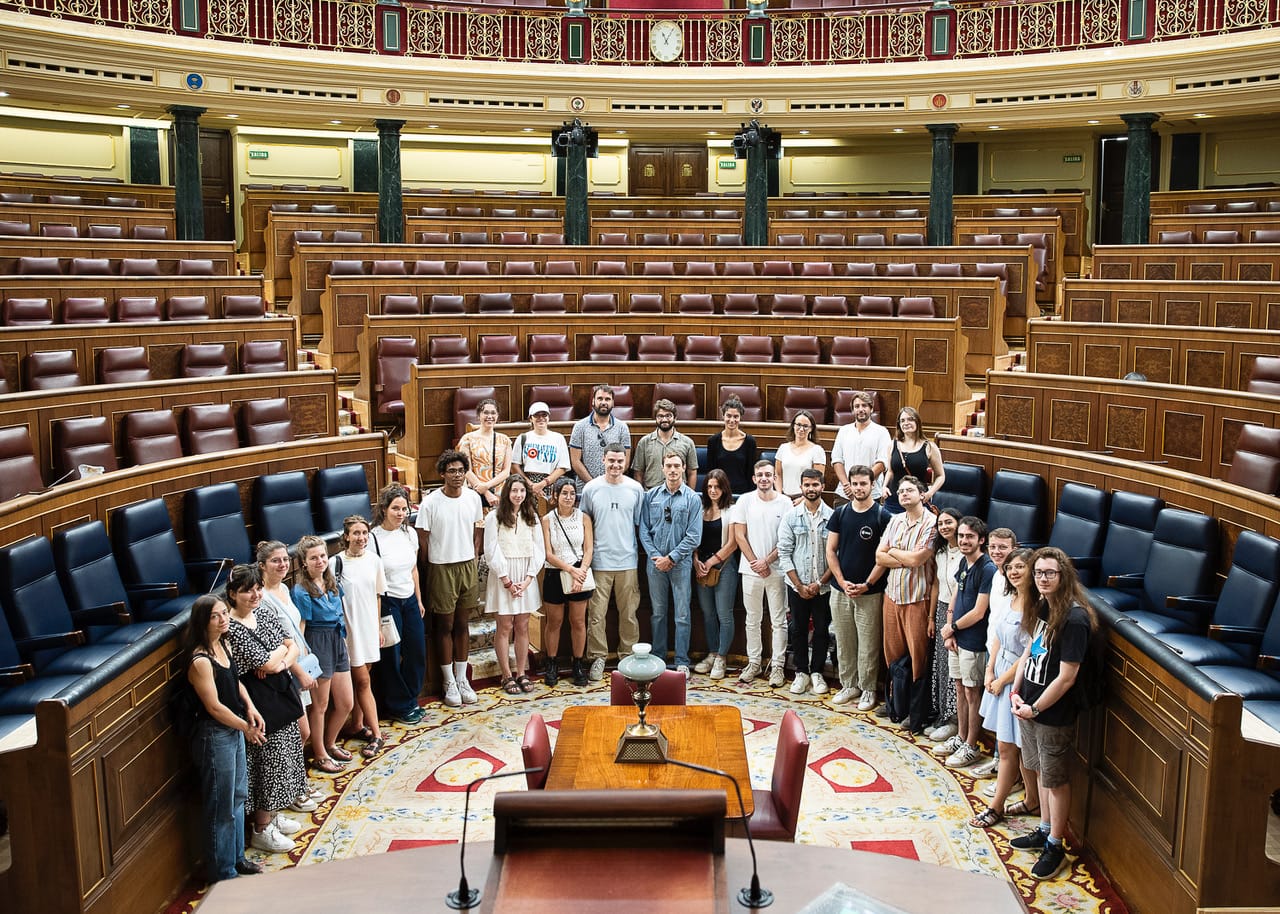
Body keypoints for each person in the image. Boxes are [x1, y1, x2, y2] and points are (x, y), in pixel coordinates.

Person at [1010, 547, 1098, 881]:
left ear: (1063, 576)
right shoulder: (1042, 605)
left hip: (1052, 713)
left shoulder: (1074, 619)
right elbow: (1030, 651)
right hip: (1028, 704)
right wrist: (1016, 690)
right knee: (1039, 772)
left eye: (1049, 573)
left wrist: (1035, 707)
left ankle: (1056, 845)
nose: (1042, 579)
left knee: (1055, 780)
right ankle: (1044, 829)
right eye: (1038, 573)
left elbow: (1067, 677)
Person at [223, 564, 308, 855]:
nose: (256, 595)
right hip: (259, 702)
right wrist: (278, 659)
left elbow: (291, 644)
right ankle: (261, 827)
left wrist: (279, 661)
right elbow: (268, 662)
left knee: (286, 755)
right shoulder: (232, 627)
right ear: (232, 594)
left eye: (258, 588)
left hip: (279, 692)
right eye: (248, 591)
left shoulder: (263, 612)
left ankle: (273, 814)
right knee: (267, 763)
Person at [183, 593, 267, 882]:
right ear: (202, 622)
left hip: (234, 728)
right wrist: (246, 727)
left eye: (224, 613)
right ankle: (223, 872)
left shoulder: (224, 644)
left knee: (238, 797)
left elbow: (235, 681)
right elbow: (214, 707)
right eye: (215, 616)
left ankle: (238, 858)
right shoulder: (200, 661)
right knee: (221, 806)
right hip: (214, 735)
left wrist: (250, 708)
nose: (223, 619)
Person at [971, 548, 1040, 829]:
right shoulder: (1010, 597)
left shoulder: (1037, 607)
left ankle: (996, 806)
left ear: (1032, 569)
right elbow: (998, 635)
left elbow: (1029, 653)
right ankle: (1032, 800)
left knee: (1008, 747)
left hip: (1018, 680)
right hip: (999, 670)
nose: (1013, 571)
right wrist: (990, 670)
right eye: (1010, 567)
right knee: (1014, 745)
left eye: (1020, 566)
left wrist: (1003, 681)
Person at [255, 539, 322, 814]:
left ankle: (297, 784)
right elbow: (278, 643)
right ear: (262, 565)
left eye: (285, 559)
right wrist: (299, 672)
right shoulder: (262, 598)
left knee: (300, 733)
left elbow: (295, 630)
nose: (283, 564)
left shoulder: (283, 588)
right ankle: (293, 789)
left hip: (296, 662)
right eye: (275, 561)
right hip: (285, 672)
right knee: (300, 732)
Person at [416, 449, 485, 708]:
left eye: (461, 471)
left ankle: (462, 678)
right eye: (452, 471)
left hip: (467, 565)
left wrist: (475, 555)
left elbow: (478, 529)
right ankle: (448, 681)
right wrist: (430, 565)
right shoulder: (431, 502)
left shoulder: (473, 498)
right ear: (442, 474)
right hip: (441, 567)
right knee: (444, 625)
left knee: (463, 623)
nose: (457, 475)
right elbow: (423, 538)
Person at [825, 464, 890, 710]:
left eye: (864, 483)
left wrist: (867, 584)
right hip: (840, 589)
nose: (859, 488)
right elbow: (831, 551)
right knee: (844, 640)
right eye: (855, 484)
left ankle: (868, 689)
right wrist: (841, 582)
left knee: (868, 643)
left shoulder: (882, 516)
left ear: (873, 485)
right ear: (849, 486)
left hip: (870, 591)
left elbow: (884, 557)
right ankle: (849, 684)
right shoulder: (840, 513)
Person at [874, 476, 937, 727]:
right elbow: (879, 557)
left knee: (918, 658)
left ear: (922, 494)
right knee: (892, 655)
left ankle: (915, 710)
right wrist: (904, 558)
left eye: (909, 490)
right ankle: (895, 702)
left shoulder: (932, 523)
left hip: (917, 599)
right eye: (900, 491)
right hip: (892, 596)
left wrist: (893, 552)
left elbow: (917, 560)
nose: (904, 494)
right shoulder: (895, 520)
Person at [291, 535, 355, 773]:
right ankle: (319, 754)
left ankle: (330, 743)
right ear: (304, 562)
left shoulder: (333, 583)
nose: (320, 561)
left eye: (323, 556)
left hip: (337, 640)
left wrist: (345, 642)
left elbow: (341, 614)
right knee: (321, 705)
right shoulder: (301, 591)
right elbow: (302, 626)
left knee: (346, 702)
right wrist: (303, 656)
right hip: (318, 643)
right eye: (314, 558)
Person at [581, 443, 644, 680]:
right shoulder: (591, 489)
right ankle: (598, 657)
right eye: (611, 461)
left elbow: (639, 523)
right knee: (596, 615)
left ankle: (627, 656)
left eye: (620, 461)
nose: (615, 465)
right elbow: (585, 523)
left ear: (625, 462)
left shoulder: (635, 489)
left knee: (629, 614)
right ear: (603, 460)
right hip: (600, 562)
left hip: (628, 561)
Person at [937, 516, 995, 768]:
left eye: (970, 536)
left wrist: (952, 628)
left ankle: (972, 745)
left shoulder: (987, 569)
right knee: (960, 688)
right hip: (958, 637)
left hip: (974, 640)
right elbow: (956, 595)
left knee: (972, 692)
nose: (963, 540)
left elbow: (979, 612)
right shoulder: (963, 561)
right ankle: (961, 737)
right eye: (961, 536)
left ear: (981, 540)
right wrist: (950, 628)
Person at [638, 452, 702, 676]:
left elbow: (694, 536)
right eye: (669, 466)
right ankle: (658, 657)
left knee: (682, 614)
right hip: (655, 564)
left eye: (677, 465)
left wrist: (672, 558)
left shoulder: (693, 499)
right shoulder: (651, 496)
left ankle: (682, 660)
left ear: (684, 468)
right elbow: (643, 530)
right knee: (658, 613)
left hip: (681, 565)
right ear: (662, 468)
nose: (673, 470)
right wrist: (657, 557)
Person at [369, 484, 428, 725]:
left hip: (410, 599)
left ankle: (410, 698)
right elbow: (373, 579)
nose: (401, 513)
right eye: (396, 508)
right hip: (388, 601)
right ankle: (398, 705)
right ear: (384, 509)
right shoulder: (373, 538)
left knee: (416, 652)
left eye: (404, 509)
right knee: (391, 657)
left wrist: (419, 599)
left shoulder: (409, 533)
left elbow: (414, 569)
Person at [484, 474, 546, 694]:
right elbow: (490, 550)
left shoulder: (532, 517)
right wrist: (507, 580)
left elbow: (539, 549)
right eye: (514, 490)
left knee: (522, 625)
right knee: (505, 626)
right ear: (507, 493)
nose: (518, 495)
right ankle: (506, 675)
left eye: (522, 491)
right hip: (504, 575)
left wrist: (528, 578)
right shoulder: (494, 517)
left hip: (525, 576)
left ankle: (521, 672)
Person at [732, 460, 791, 686]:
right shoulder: (745, 500)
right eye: (760, 475)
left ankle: (777, 666)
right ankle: (754, 663)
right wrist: (756, 563)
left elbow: (786, 539)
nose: (764, 478)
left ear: (774, 478)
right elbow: (739, 535)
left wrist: (767, 561)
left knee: (779, 621)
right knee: (752, 619)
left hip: (777, 570)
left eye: (768, 474)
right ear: (754, 478)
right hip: (750, 571)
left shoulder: (785, 503)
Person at [332, 516, 386, 759]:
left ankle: (356, 723)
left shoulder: (374, 560)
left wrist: (378, 627)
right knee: (363, 681)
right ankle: (377, 735)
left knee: (364, 677)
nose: (361, 537)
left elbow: (377, 595)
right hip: (349, 629)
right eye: (356, 533)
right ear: (346, 536)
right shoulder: (335, 563)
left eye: (364, 533)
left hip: (368, 627)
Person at [777, 468, 834, 695]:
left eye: (815, 484)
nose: (811, 489)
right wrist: (799, 585)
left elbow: (835, 555)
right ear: (801, 487)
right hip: (796, 585)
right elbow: (784, 553)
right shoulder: (791, 517)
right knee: (798, 628)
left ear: (822, 487)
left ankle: (817, 672)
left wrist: (819, 583)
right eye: (807, 485)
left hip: (823, 586)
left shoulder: (832, 517)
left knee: (821, 630)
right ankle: (801, 671)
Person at [971, 527, 1018, 781]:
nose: (997, 552)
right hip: (994, 650)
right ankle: (999, 763)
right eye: (993, 547)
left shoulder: (1019, 583)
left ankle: (1008, 774)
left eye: (1003, 547)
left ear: (1014, 549)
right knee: (999, 720)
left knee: (1010, 724)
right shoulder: (998, 576)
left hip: (1012, 660)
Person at [541, 477, 595, 686]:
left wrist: (581, 571)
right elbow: (547, 553)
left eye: (572, 493)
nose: (569, 497)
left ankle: (578, 664)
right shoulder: (547, 520)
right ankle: (551, 663)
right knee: (554, 622)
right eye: (564, 493)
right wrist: (571, 570)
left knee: (578, 621)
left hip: (579, 572)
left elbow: (588, 549)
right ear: (555, 496)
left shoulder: (584, 518)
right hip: (555, 573)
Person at [692, 469, 739, 681]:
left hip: (724, 566)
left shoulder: (732, 510)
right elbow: (693, 538)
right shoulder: (701, 509)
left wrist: (711, 562)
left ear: (724, 488)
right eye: (709, 486)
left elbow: (732, 543)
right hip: (701, 567)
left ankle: (721, 656)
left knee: (724, 614)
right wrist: (696, 561)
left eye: (717, 487)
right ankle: (712, 653)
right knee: (708, 613)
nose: (713, 490)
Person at [923, 508, 963, 743]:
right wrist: (931, 617)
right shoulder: (940, 551)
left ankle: (955, 720)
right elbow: (936, 585)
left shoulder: (966, 553)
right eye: (941, 524)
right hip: (941, 609)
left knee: (955, 668)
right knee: (941, 664)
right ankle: (942, 714)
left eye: (949, 522)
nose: (945, 527)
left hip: (959, 613)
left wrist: (952, 621)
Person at [831, 390, 892, 503]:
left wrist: (861, 484)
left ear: (871, 409)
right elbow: (837, 460)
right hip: (845, 493)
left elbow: (882, 462)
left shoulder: (882, 432)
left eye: (864, 406)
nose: (860, 409)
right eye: (857, 406)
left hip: (871, 494)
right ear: (852, 410)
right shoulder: (844, 431)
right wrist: (847, 484)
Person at [882, 406, 946, 513]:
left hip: (918, 501)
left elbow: (941, 476)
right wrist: (884, 486)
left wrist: (930, 493)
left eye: (910, 419)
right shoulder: (892, 445)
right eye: (902, 421)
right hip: (894, 501)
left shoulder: (930, 447)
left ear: (917, 422)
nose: (906, 423)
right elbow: (890, 471)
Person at [512, 401, 569, 515]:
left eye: (544, 415)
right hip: (527, 485)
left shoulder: (558, 438)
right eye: (537, 415)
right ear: (530, 418)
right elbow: (514, 466)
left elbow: (562, 467)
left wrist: (542, 484)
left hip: (551, 484)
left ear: (548, 417)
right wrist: (531, 485)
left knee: (549, 519)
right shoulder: (523, 438)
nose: (541, 418)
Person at [569, 384, 631, 486]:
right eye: (600, 398)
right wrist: (594, 485)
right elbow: (575, 461)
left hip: (613, 486)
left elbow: (626, 461)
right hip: (586, 487)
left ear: (613, 403)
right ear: (593, 401)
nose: (603, 402)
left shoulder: (622, 427)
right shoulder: (579, 427)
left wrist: (608, 483)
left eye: (607, 399)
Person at [457, 397, 512, 510]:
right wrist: (486, 492)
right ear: (478, 416)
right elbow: (466, 470)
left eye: (493, 413)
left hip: (499, 494)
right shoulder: (468, 439)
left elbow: (506, 471)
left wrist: (487, 486)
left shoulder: (505, 440)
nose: (489, 416)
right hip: (476, 492)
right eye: (485, 413)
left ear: (497, 416)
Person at [632, 398, 697, 489]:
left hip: (678, 493)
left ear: (675, 418)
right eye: (660, 416)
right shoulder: (644, 442)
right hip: (651, 492)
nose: (664, 419)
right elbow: (638, 473)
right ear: (655, 418)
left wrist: (689, 495)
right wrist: (642, 495)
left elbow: (692, 473)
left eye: (668, 416)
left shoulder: (687, 442)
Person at [706, 396, 758, 496]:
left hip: (743, 494)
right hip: (719, 493)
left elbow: (751, 474)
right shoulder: (713, 441)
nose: (732, 420)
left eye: (736, 416)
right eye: (728, 416)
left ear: (740, 417)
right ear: (723, 416)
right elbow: (711, 473)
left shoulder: (749, 442)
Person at [774, 410, 826, 501]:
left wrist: (802, 499)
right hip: (784, 498)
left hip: (807, 499)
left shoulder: (817, 450)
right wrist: (780, 495)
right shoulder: (783, 448)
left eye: (805, 426)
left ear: (811, 429)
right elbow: (778, 474)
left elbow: (817, 480)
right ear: (793, 426)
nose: (801, 429)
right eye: (798, 425)